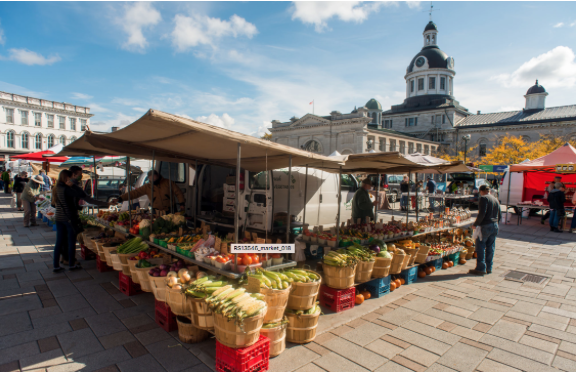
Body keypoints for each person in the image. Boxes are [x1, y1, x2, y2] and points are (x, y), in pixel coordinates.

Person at [112, 170, 185, 212]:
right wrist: (120, 198)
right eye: (152, 180)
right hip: (156, 211)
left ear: (158, 176)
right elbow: (134, 193)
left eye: (155, 179)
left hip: (170, 210)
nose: (154, 181)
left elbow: (178, 192)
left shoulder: (168, 182)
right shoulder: (147, 187)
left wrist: (182, 203)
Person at [52, 170, 82, 272]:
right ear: (67, 178)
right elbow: (80, 194)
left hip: (58, 218)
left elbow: (53, 204)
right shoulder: (66, 189)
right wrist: (73, 186)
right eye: (70, 177)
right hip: (68, 218)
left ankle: (56, 266)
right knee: (71, 242)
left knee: (59, 242)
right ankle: (71, 265)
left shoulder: (56, 188)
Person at [469, 185, 501, 276]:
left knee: (481, 246)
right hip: (494, 225)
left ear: (481, 191)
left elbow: (482, 213)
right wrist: (496, 223)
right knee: (491, 247)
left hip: (486, 225)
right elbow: (500, 214)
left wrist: (475, 224)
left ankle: (481, 268)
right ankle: (489, 267)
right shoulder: (495, 199)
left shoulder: (483, 198)